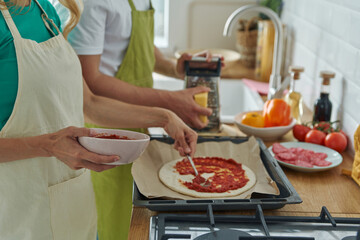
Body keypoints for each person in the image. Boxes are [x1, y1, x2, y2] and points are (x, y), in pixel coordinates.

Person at [0, 0, 197, 239]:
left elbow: (89, 104)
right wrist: (49, 145)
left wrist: (164, 117)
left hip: (72, 201)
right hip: (19, 213)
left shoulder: (44, 10)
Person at [61, 0, 223, 239]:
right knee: (113, 225)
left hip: (140, 123)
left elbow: (132, 43)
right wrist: (169, 102)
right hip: (105, 133)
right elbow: (90, 83)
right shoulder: (93, 2)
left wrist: (173, 67)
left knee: (135, 221)